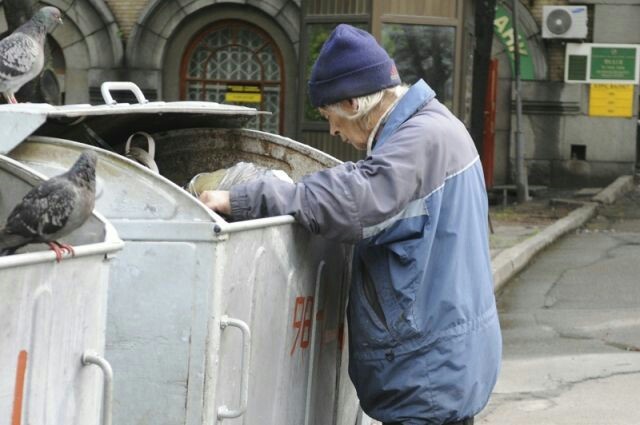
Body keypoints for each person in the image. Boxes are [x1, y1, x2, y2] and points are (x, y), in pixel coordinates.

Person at [199, 24, 501, 425]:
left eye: (330, 116)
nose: (333, 131)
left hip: (425, 367)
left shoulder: (421, 140)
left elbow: (354, 200)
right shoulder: (440, 127)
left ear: (354, 103)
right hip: (447, 355)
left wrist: (243, 197)